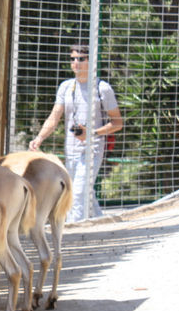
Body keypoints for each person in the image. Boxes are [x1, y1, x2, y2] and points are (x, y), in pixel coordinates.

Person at [28, 44, 123, 222]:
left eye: (81, 59)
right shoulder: (66, 87)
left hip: (92, 148)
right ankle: (103, 223)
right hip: (71, 150)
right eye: (72, 59)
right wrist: (39, 138)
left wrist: (92, 132)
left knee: (77, 193)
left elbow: (117, 122)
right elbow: (54, 117)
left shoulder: (102, 88)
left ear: (91, 61)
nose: (76, 63)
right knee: (84, 191)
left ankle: (74, 232)